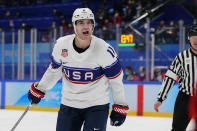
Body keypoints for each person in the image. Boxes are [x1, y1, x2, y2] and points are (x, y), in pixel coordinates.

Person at [27, 8, 129, 131]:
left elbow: (116, 80)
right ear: (74, 26)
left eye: (89, 22)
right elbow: (54, 71)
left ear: (93, 25)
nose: (86, 26)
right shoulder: (61, 45)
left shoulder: (104, 50)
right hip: (69, 104)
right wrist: (41, 88)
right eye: (81, 23)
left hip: (97, 106)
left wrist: (120, 105)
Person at [154, 24, 197, 131]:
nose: (195, 39)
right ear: (189, 38)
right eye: (193, 36)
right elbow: (170, 77)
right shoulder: (181, 57)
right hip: (185, 98)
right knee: (177, 129)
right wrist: (160, 98)